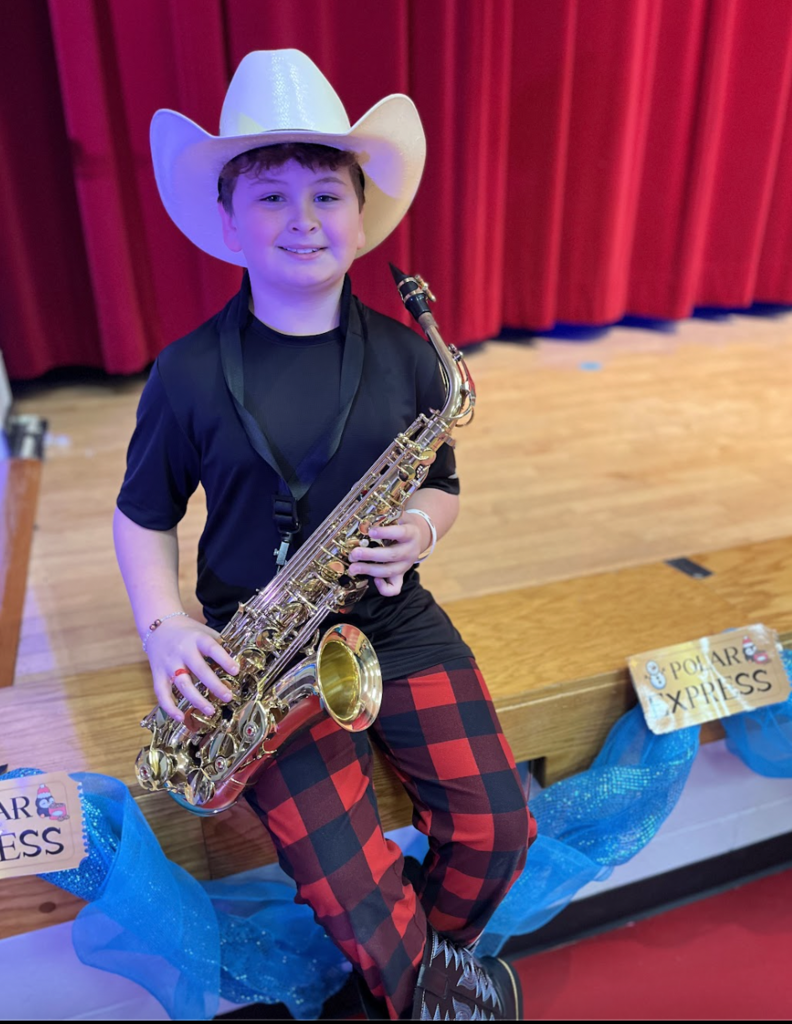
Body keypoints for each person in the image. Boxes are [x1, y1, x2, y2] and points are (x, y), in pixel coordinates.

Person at [114, 49, 536, 1020]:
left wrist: (422, 532)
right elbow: (142, 516)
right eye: (271, 196)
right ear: (228, 219)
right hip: (261, 652)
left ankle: (389, 986)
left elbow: (440, 483)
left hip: (389, 616)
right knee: (347, 879)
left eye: (325, 194)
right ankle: (422, 987)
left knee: (501, 824)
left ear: (360, 211)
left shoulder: (406, 358)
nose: (302, 220)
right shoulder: (184, 373)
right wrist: (166, 628)